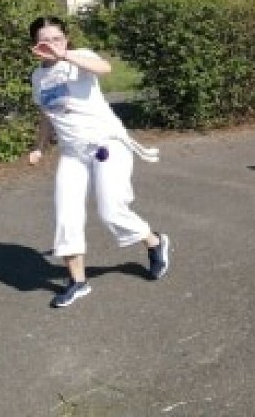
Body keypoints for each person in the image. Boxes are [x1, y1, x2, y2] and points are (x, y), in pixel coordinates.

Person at [28, 16, 169, 308]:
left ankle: (154, 241)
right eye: (45, 40)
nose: (51, 44)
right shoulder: (38, 77)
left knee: (111, 211)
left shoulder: (79, 59)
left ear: (66, 39)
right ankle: (78, 282)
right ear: (35, 46)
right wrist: (39, 147)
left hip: (107, 144)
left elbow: (105, 68)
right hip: (71, 154)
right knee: (65, 216)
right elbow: (46, 114)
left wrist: (65, 55)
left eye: (57, 38)